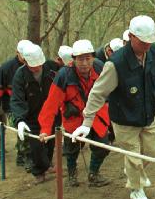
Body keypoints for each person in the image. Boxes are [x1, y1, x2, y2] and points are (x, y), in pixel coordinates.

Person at [73, 15, 155, 199]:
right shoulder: (115, 64)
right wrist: (86, 123)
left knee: (151, 151)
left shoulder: (154, 53)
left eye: (151, 40)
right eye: (143, 41)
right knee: (133, 156)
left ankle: (134, 171)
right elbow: (97, 93)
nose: (147, 45)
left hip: (148, 114)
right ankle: (136, 189)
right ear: (131, 37)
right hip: (124, 118)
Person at [38, 40, 112, 188]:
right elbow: (50, 105)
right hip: (74, 118)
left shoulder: (101, 68)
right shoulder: (63, 76)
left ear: (93, 57)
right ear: (73, 59)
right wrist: (45, 130)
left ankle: (94, 173)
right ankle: (72, 174)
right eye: (80, 59)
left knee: (103, 146)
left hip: (96, 115)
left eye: (87, 58)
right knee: (71, 149)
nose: (84, 63)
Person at [11, 44, 62, 183]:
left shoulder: (52, 67)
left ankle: (47, 164)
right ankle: (39, 170)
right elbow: (17, 99)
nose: (37, 67)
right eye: (33, 65)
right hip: (32, 116)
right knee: (36, 146)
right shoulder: (20, 75)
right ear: (25, 62)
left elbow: (64, 79)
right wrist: (19, 119)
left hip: (52, 113)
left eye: (39, 64)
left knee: (50, 142)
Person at [0, 40, 33, 170]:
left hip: (32, 104)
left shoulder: (35, 64)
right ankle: (26, 157)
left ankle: (22, 154)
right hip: (12, 106)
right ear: (17, 53)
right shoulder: (6, 68)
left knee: (32, 130)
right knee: (24, 131)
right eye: (23, 55)